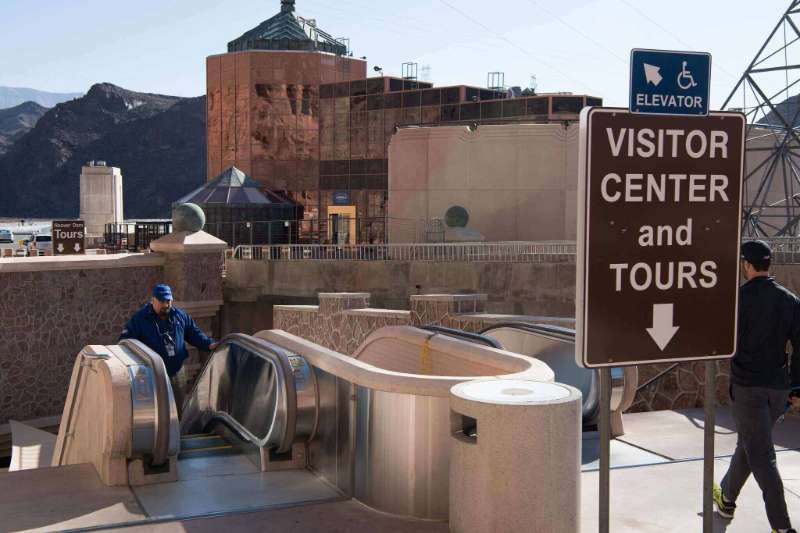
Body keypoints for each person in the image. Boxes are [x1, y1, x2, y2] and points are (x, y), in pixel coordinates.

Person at [713, 240, 800, 533]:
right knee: (751, 443)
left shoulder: (737, 300)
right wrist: (796, 388)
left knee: (761, 454)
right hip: (778, 390)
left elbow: (722, 344)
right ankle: (726, 497)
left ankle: (782, 527)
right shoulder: (790, 300)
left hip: (748, 388)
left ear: (747, 265)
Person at [120, 284, 219, 413]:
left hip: (177, 372)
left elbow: (194, 333)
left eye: (168, 301)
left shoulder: (180, 316)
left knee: (177, 409)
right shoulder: (140, 319)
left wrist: (209, 344)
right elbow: (126, 342)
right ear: (153, 300)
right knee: (157, 410)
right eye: (162, 301)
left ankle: (176, 430)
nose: (166, 305)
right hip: (153, 373)